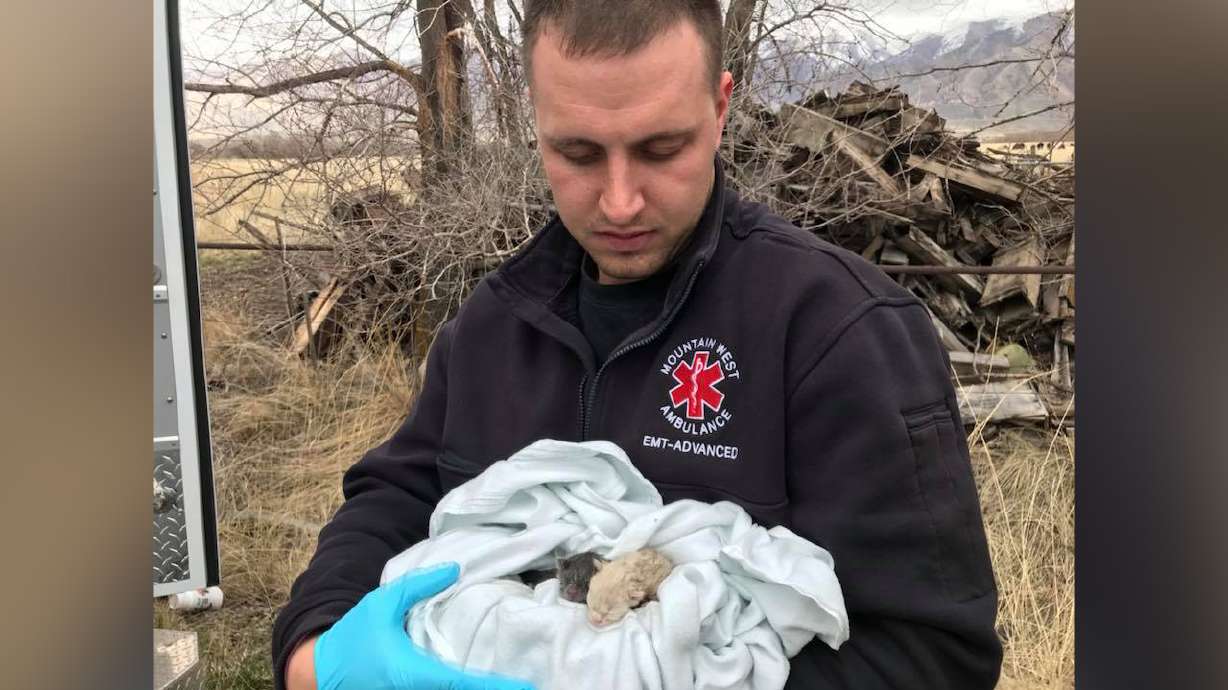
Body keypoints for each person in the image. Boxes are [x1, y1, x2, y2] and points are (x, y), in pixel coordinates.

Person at [274, 1, 1003, 688]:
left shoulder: (841, 331)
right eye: (578, 152)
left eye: (661, 148)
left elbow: (931, 654)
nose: (620, 202)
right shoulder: (496, 321)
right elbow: (399, 494)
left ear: (720, 109)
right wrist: (317, 649)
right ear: (536, 120)